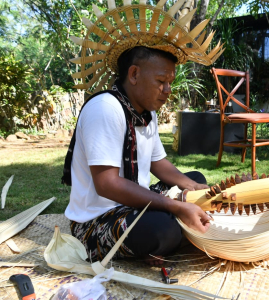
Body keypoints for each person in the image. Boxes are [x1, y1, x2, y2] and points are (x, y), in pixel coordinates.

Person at [61, 0, 223, 266]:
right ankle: (168, 232)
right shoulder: (106, 108)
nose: (168, 90)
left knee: (194, 177)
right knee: (162, 229)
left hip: (132, 207)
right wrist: (175, 205)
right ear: (134, 74)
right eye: (161, 81)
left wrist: (191, 187)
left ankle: (169, 228)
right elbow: (107, 184)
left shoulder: (147, 113)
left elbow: (158, 163)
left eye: (170, 82)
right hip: (96, 222)